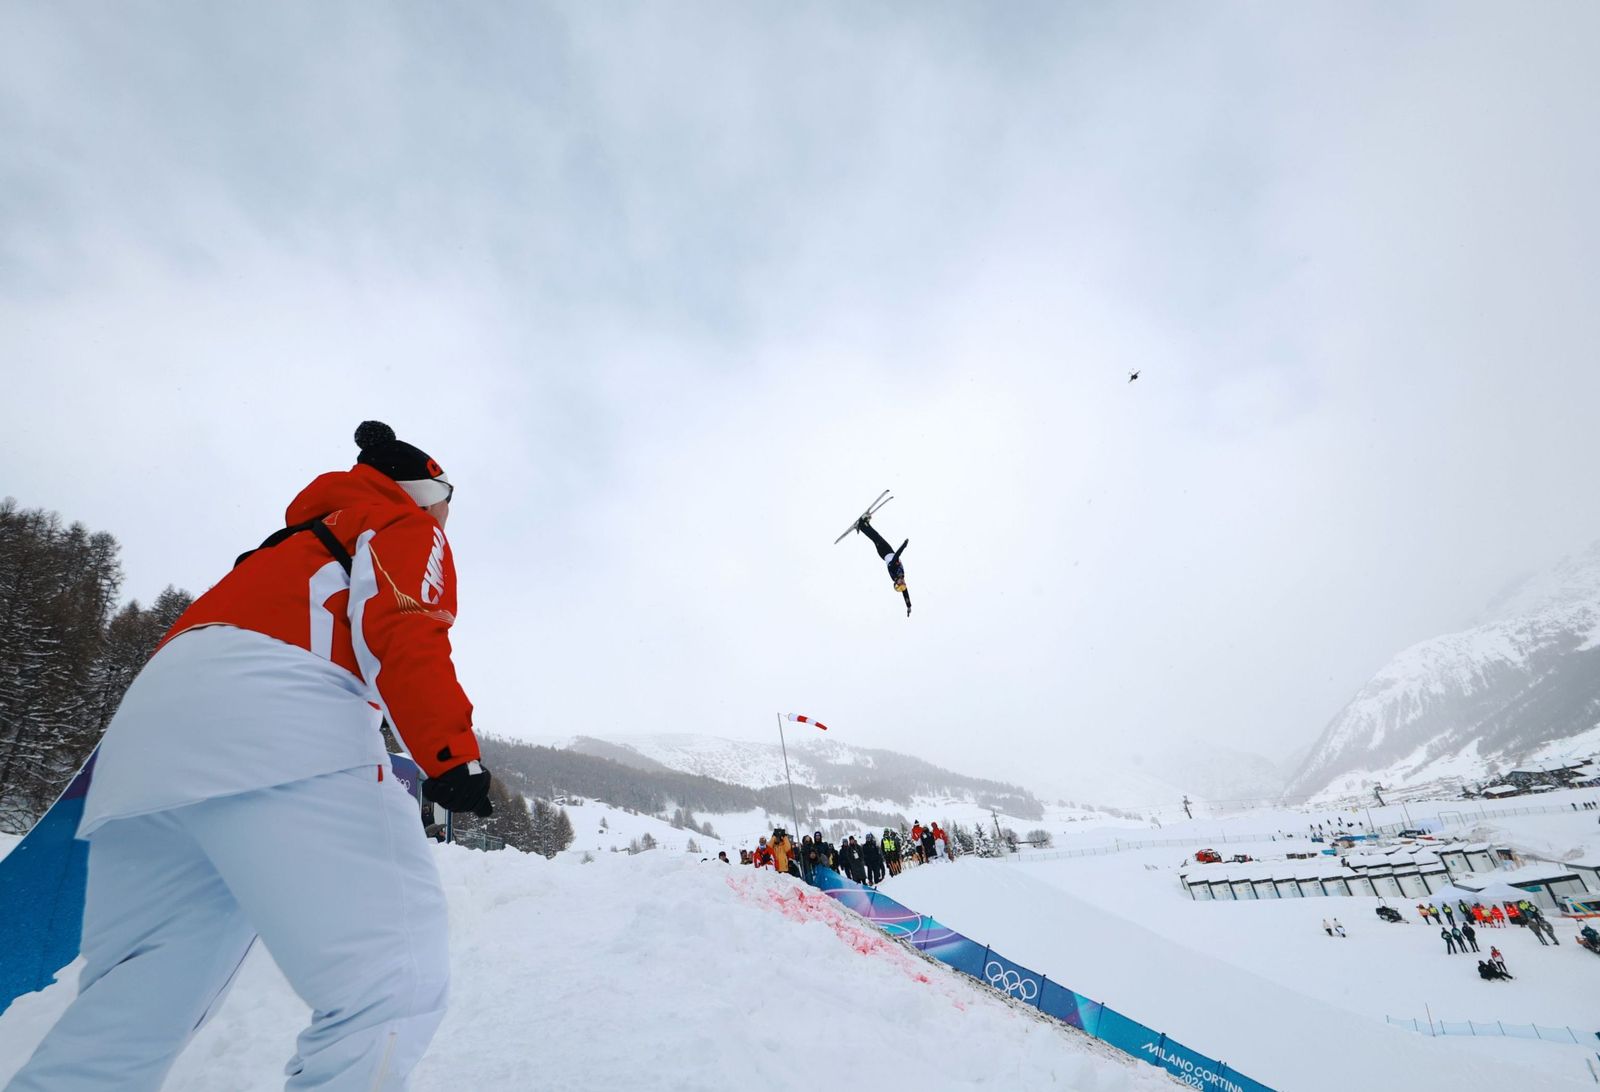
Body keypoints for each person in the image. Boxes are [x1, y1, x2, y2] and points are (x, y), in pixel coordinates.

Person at [10, 421, 486, 1092]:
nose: (447, 519)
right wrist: (449, 753)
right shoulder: (401, 526)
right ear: (424, 492)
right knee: (393, 982)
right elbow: (403, 623)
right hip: (278, 724)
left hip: (143, 752)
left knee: (135, 1006)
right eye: (447, 503)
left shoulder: (278, 551)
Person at [851, 513, 913, 616]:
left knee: (876, 537)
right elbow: (905, 593)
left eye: (900, 584)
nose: (903, 583)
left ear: (896, 582)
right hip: (889, 551)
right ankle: (864, 524)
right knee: (875, 537)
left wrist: (904, 545)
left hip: (884, 551)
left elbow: (896, 556)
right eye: (903, 584)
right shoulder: (901, 576)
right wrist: (909, 606)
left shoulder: (894, 572)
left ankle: (862, 524)